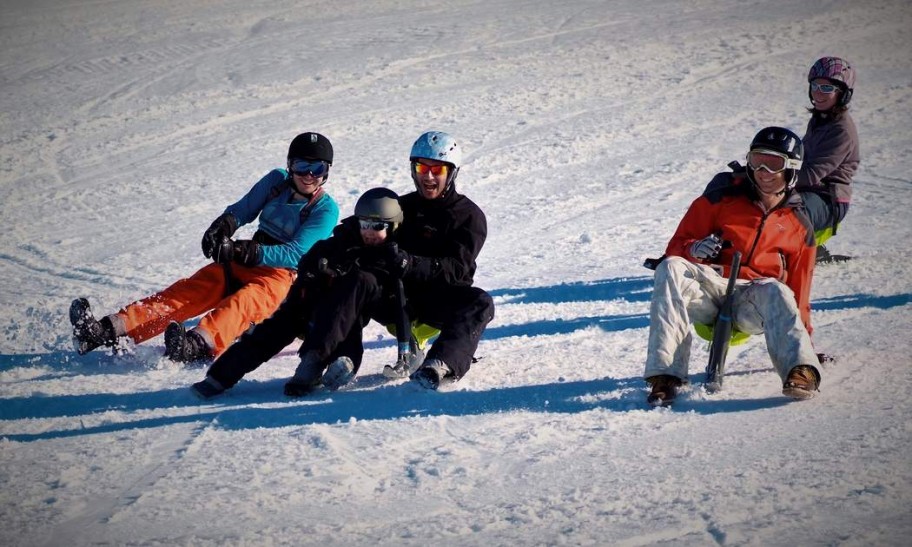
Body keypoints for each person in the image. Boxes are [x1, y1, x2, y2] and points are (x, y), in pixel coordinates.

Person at [191, 130, 495, 398]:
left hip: (433, 301)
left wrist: (409, 262)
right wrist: (317, 259)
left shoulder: (468, 217)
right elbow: (351, 230)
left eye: (437, 169)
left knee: (481, 302)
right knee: (345, 280)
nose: (428, 176)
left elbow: (456, 269)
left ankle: (439, 366)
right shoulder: (400, 207)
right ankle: (316, 360)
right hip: (390, 297)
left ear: (452, 172)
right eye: (422, 167)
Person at [69, 132, 340, 363]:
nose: (309, 176)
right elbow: (243, 209)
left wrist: (245, 251)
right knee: (187, 292)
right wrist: (223, 226)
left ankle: (196, 345)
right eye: (303, 165)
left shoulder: (325, 209)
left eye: (318, 169)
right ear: (290, 165)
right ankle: (107, 330)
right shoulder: (276, 181)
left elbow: (295, 253)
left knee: (242, 304)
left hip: (280, 276)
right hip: (246, 261)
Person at [644, 127, 821, 406]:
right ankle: (665, 376)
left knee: (778, 289)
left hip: (752, 299)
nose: (763, 171)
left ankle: (801, 370)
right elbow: (675, 247)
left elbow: (800, 292)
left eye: (774, 164)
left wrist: (807, 346)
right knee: (671, 267)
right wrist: (693, 249)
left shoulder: (799, 224)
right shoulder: (720, 199)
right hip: (712, 288)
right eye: (756, 160)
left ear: (792, 169)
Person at [796, 56, 860, 262]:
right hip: (806, 192)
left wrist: (770, 178)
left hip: (828, 199)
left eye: (826, 88)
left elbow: (811, 174)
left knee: (783, 210)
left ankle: (802, 251)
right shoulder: (819, 120)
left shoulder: (841, 130)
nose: (818, 92)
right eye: (815, 85)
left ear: (842, 94)